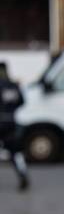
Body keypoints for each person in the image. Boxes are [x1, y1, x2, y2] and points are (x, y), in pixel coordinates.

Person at [0, 62, 30, 190]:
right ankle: (22, 174)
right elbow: (22, 101)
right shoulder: (13, 86)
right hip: (11, 121)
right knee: (15, 152)